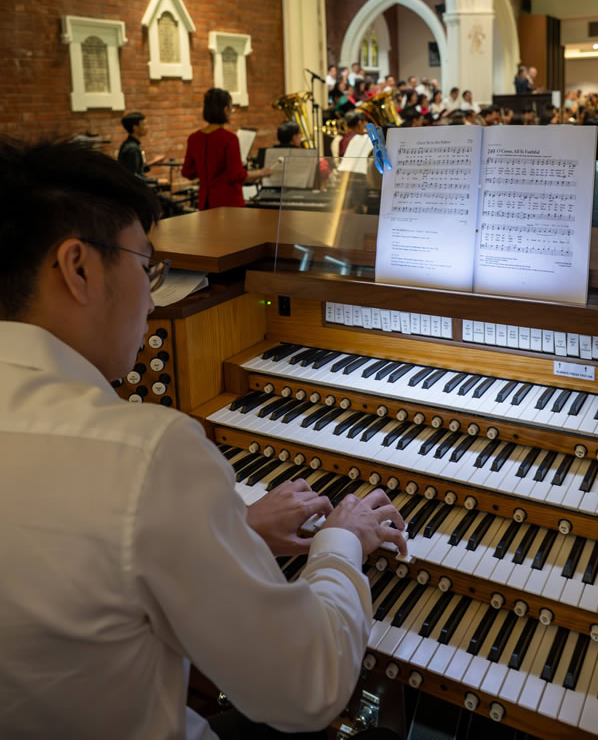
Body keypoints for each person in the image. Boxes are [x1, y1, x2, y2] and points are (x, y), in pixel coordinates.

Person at [0, 137, 406, 740]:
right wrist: (341, 541)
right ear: (78, 268)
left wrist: (230, 532)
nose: (152, 297)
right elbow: (308, 687)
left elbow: (77, 557)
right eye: (147, 267)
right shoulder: (146, 454)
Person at [182, 88, 272, 209]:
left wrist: (207, 170)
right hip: (228, 203)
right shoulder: (229, 139)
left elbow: (187, 172)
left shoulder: (194, 138)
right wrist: (261, 173)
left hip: (205, 203)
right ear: (225, 109)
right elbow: (237, 175)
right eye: (231, 108)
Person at [117, 111, 165, 180]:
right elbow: (133, 176)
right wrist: (156, 181)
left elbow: (137, 170)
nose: (147, 127)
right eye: (144, 124)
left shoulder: (130, 144)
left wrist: (154, 162)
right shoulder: (132, 148)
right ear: (135, 128)